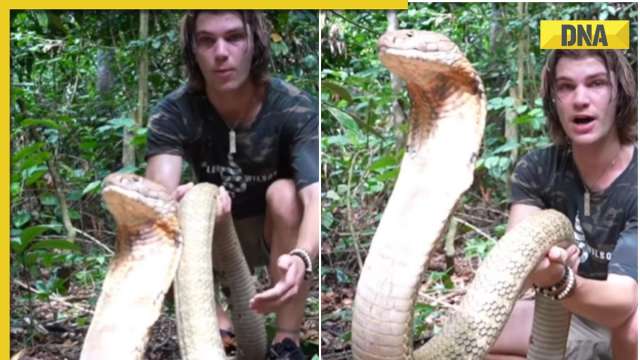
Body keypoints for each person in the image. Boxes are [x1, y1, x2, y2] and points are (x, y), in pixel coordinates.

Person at [144, 10, 319, 359]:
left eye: (234, 37)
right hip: (213, 227)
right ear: (193, 50)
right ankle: (218, 325)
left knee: (286, 194)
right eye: (207, 40)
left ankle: (287, 340)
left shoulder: (293, 108)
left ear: (254, 42)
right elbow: (156, 205)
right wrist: (182, 200)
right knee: (167, 213)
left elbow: (314, 196)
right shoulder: (174, 112)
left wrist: (302, 256)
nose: (221, 52)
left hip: (273, 232)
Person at [487, 49, 637, 360]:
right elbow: (517, 266)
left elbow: (623, 302)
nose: (580, 99)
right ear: (554, 100)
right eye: (566, 87)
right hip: (577, 311)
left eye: (596, 83)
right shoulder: (538, 169)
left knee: (633, 330)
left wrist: (560, 279)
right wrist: (538, 268)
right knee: (477, 333)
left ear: (619, 94)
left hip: (628, 315)